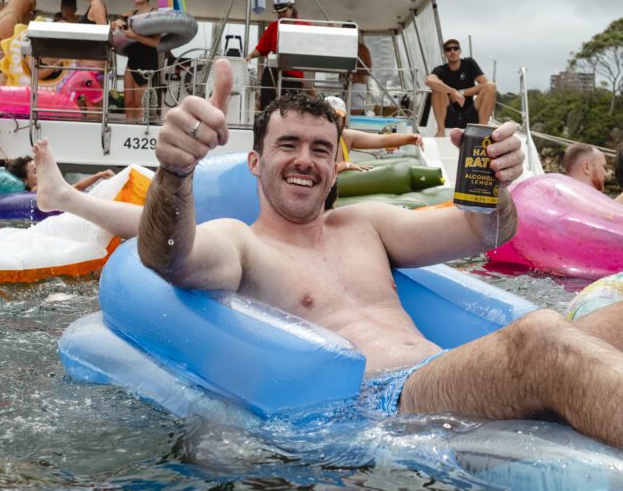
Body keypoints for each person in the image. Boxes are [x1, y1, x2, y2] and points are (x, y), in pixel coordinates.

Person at [129, 58, 623, 450]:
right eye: (289, 144)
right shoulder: (242, 241)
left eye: (321, 149)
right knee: (540, 337)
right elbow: (169, 257)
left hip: (447, 370)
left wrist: (495, 181)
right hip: (386, 403)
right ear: (255, 162)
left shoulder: (366, 224)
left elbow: (485, 231)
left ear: (335, 167)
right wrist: (175, 172)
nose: (306, 159)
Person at [425, 38, 496, 137]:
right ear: (444, 53)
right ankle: (441, 131)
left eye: (455, 48)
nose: (452, 51)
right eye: (448, 49)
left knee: (491, 86)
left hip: (470, 111)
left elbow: (485, 86)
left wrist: (461, 92)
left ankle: (482, 131)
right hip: (449, 114)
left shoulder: (469, 63)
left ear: (460, 51)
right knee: (437, 88)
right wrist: (452, 91)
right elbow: (429, 80)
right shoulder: (440, 70)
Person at [245, 0, 305, 110]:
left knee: (291, 108)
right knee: (267, 104)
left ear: (292, 8)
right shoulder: (273, 27)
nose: (280, 15)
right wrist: (250, 56)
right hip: (272, 70)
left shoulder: (304, 26)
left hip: (293, 74)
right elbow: (261, 48)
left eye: (283, 11)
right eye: (279, 12)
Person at [112, 0, 160, 122]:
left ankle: (139, 132)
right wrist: (117, 25)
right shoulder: (130, 13)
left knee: (140, 103)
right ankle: (129, 132)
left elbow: (156, 42)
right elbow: (122, 35)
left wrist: (134, 36)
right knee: (128, 103)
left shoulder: (154, 12)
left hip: (147, 59)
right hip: (132, 58)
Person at [7, 154, 114, 192]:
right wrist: (98, 175)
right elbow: (74, 188)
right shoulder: (36, 189)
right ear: (24, 181)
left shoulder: (47, 187)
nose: (42, 171)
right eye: (35, 171)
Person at [350, 41, 372, 115]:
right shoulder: (361, 48)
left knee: (354, 114)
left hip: (356, 86)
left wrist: (351, 71)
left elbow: (368, 70)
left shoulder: (361, 48)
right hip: (351, 86)